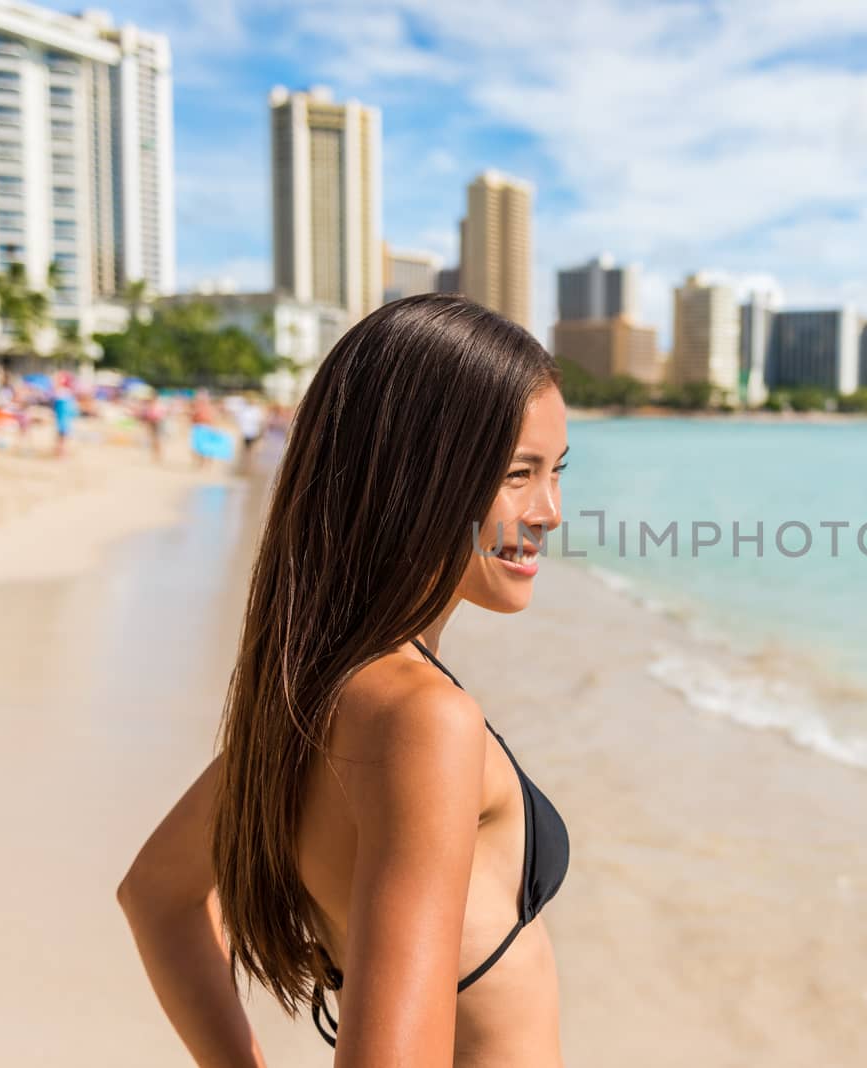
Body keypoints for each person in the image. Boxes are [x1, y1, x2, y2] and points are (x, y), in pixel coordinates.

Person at [117, 295, 572, 1066]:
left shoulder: (311, 701)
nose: (550, 511)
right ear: (417, 477)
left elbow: (156, 895)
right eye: (518, 474)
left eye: (555, 472)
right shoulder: (423, 720)